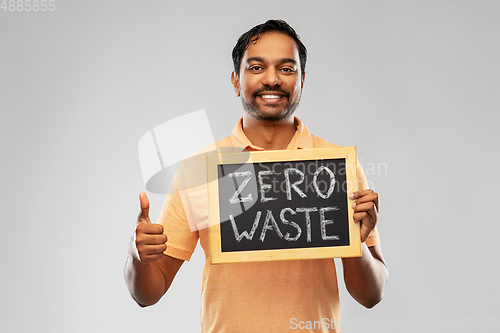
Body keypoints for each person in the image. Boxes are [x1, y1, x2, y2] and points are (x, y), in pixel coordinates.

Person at [125, 19, 388, 332]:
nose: (272, 79)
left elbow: (372, 295)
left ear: (303, 80)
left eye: (287, 68)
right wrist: (138, 259)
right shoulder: (201, 170)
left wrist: (355, 246)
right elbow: (150, 292)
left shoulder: (336, 168)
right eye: (256, 67)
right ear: (236, 80)